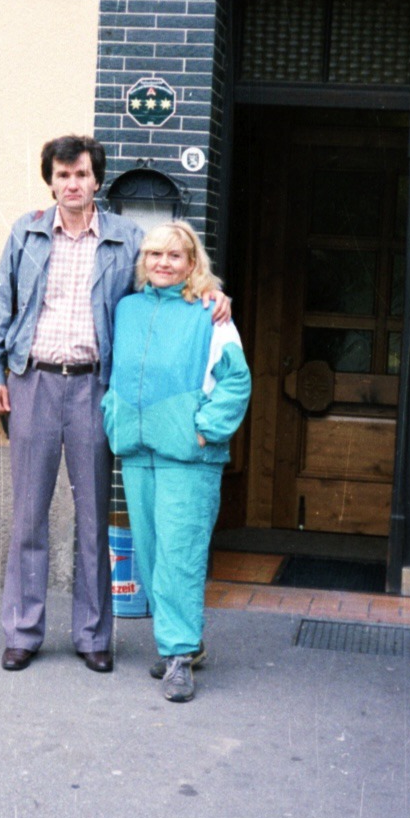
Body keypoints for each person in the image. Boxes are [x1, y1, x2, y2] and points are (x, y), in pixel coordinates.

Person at [0, 136, 229, 674]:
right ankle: (23, 631)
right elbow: (1, 305)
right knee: (28, 516)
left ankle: (94, 636)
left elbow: (168, 281)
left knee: (94, 515)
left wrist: (213, 294)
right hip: (34, 383)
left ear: (97, 181)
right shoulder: (24, 234)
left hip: (95, 386)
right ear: (51, 181)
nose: (73, 184)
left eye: (83, 175)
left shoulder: (126, 238)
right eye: (63, 175)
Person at [102, 221, 250, 703]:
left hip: (189, 455)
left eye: (174, 256)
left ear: (192, 263)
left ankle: (180, 657)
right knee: (150, 556)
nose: (163, 263)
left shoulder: (209, 312)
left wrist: (205, 428)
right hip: (139, 451)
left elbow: (235, 381)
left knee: (179, 558)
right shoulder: (127, 309)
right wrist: (114, 419)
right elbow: (112, 373)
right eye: (153, 255)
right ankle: (179, 644)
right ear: (142, 261)